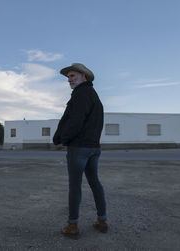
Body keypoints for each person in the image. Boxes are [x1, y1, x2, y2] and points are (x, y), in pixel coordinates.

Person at [53, 63, 107, 238]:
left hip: (79, 148)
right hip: (93, 148)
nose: (69, 80)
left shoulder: (80, 95)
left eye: (72, 76)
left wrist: (64, 139)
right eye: (68, 77)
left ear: (83, 76)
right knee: (95, 183)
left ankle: (72, 226)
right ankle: (102, 220)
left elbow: (74, 121)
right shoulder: (94, 96)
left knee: (75, 186)